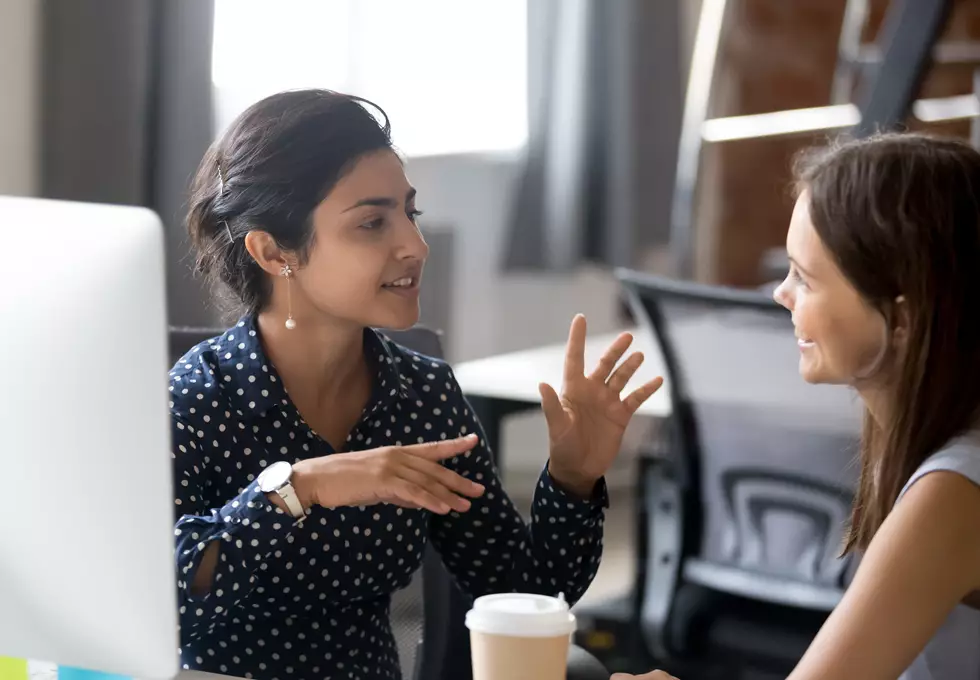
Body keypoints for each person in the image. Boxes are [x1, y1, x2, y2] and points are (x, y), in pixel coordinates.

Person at [169, 89, 664, 680]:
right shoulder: (197, 399)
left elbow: (524, 593)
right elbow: (164, 602)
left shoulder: (422, 397)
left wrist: (573, 476)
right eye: (373, 222)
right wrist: (299, 488)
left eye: (410, 213)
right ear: (274, 251)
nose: (415, 245)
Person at [615, 133, 980, 680]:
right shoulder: (934, 445)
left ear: (902, 318)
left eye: (804, 279)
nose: (780, 295)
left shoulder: (953, 491)